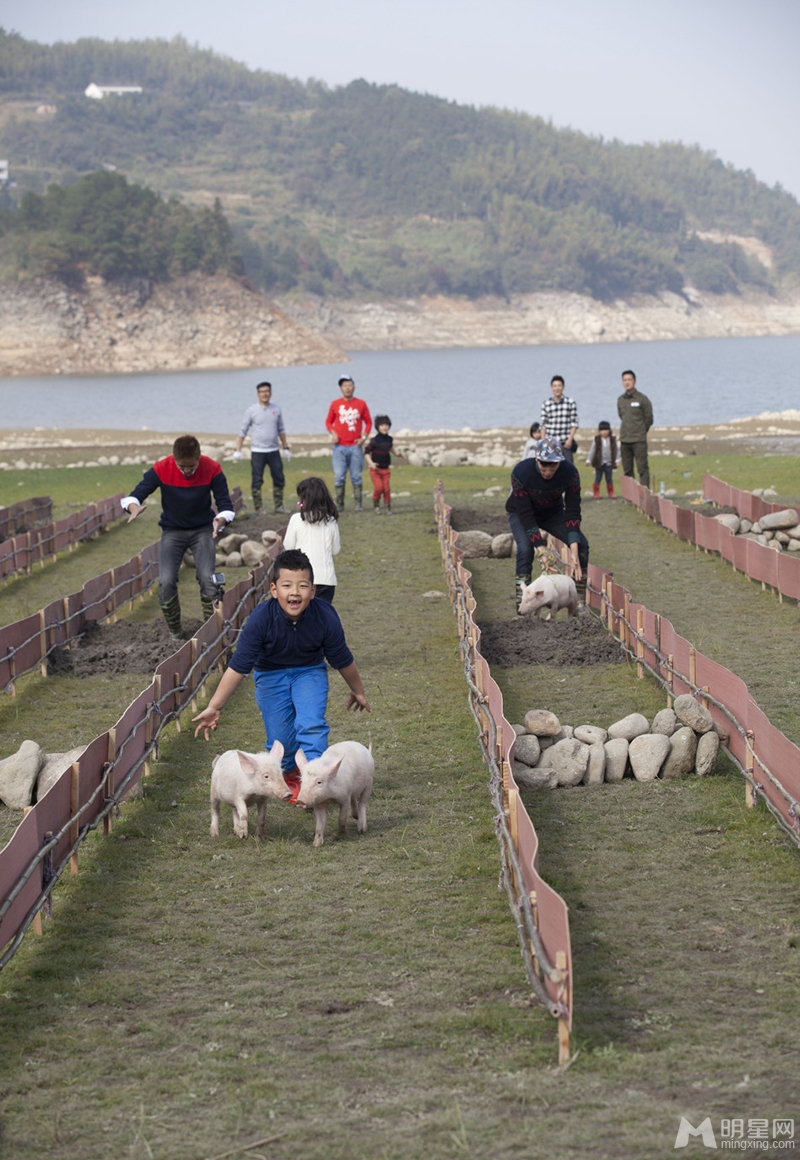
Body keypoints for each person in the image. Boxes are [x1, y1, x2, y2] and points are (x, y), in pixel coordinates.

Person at [192, 549, 370, 792]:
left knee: (312, 726)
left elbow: (342, 659)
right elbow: (238, 667)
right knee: (281, 741)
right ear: (274, 590)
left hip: (310, 672)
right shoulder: (261, 619)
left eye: (302, 586)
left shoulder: (325, 616)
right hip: (270, 676)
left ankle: (317, 783)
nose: (295, 592)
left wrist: (357, 690)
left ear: (313, 590)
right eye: (287, 585)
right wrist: (215, 706)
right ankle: (286, 775)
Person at [122, 435, 234, 639]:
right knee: (165, 581)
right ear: (174, 460)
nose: (187, 471)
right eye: (182, 467)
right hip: (173, 531)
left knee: (208, 579)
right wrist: (133, 507)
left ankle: (212, 634)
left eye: (191, 466)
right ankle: (176, 633)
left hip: (203, 530)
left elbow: (226, 505)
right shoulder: (161, 468)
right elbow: (136, 494)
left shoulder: (212, 469)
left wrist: (220, 520)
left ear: (199, 458)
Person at [506, 435, 590, 613]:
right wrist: (541, 548)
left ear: (560, 462)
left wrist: (573, 549)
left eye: (553, 466)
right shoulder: (521, 473)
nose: (548, 471)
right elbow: (527, 515)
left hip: (552, 513)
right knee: (525, 550)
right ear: (537, 459)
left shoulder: (571, 473)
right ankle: (522, 606)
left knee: (582, 545)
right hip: (521, 513)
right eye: (544, 465)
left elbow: (573, 510)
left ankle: (579, 601)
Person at [233, 381, 291, 514]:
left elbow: (281, 429)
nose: (265, 394)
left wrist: (286, 448)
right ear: (258, 394)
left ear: (270, 393)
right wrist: (238, 450)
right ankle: (259, 509)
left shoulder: (276, 409)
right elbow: (243, 430)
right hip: (258, 451)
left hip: (274, 450)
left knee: (279, 478)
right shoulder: (251, 410)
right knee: (257, 480)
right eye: (262, 391)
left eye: (267, 391)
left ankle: (279, 507)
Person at [282, 477, 340, 602]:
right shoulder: (331, 521)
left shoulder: (296, 519)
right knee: (321, 617)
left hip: (302, 579)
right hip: (327, 580)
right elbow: (335, 550)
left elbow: (288, 546)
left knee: (303, 617)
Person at [325, 376, 372, 512]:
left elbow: (368, 422)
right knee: (339, 476)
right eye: (345, 386)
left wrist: (363, 437)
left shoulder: (361, 404)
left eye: (350, 385)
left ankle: (358, 504)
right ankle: (339, 505)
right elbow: (328, 422)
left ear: (354, 387)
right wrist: (333, 433)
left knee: (356, 476)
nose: (347, 388)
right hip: (339, 447)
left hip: (355, 446)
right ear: (341, 388)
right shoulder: (335, 404)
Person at [617, 369, 653, 489]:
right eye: (625, 380)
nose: (627, 382)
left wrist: (641, 431)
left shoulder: (642, 399)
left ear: (635, 381)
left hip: (639, 439)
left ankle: (645, 495)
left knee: (642, 468)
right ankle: (630, 496)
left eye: (629, 380)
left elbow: (649, 418)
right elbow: (621, 416)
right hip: (625, 439)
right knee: (627, 470)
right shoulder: (620, 400)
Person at [364, 414, 403, 514]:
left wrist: (397, 454)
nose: (384, 427)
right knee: (378, 488)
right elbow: (366, 452)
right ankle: (376, 505)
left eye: (386, 425)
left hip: (386, 469)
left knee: (386, 488)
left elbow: (390, 447)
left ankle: (388, 506)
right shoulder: (374, 440)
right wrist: (371, 463)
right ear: (377, 427)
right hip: (375, 469)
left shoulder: (389, 439)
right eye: (382, 425)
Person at [541, 375, 578, 463]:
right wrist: (543, 441)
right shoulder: (546, 404)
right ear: (551, 388)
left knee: (568, 470)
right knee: (549, 471)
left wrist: (570, 439)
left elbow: (574, 423)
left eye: (559, 385)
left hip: (565, 443)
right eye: (555, 386)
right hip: (550, 443)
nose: (557, 388)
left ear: (563, 387)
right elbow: (543, 424)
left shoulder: (570, 403)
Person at [586, 420, 619, 498]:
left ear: (609, 430)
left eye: (606, 430)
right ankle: (596, 493)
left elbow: (617, 450)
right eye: (602, 430)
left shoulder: (612, 440)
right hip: (599, 463)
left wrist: (617, 460)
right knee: (598, 477)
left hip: (609, 463)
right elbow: (592, 450)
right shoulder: (596, 440)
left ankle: (611, 493)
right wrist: (589, 460)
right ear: (599, 431)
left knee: (609, 478)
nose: (604, 432)